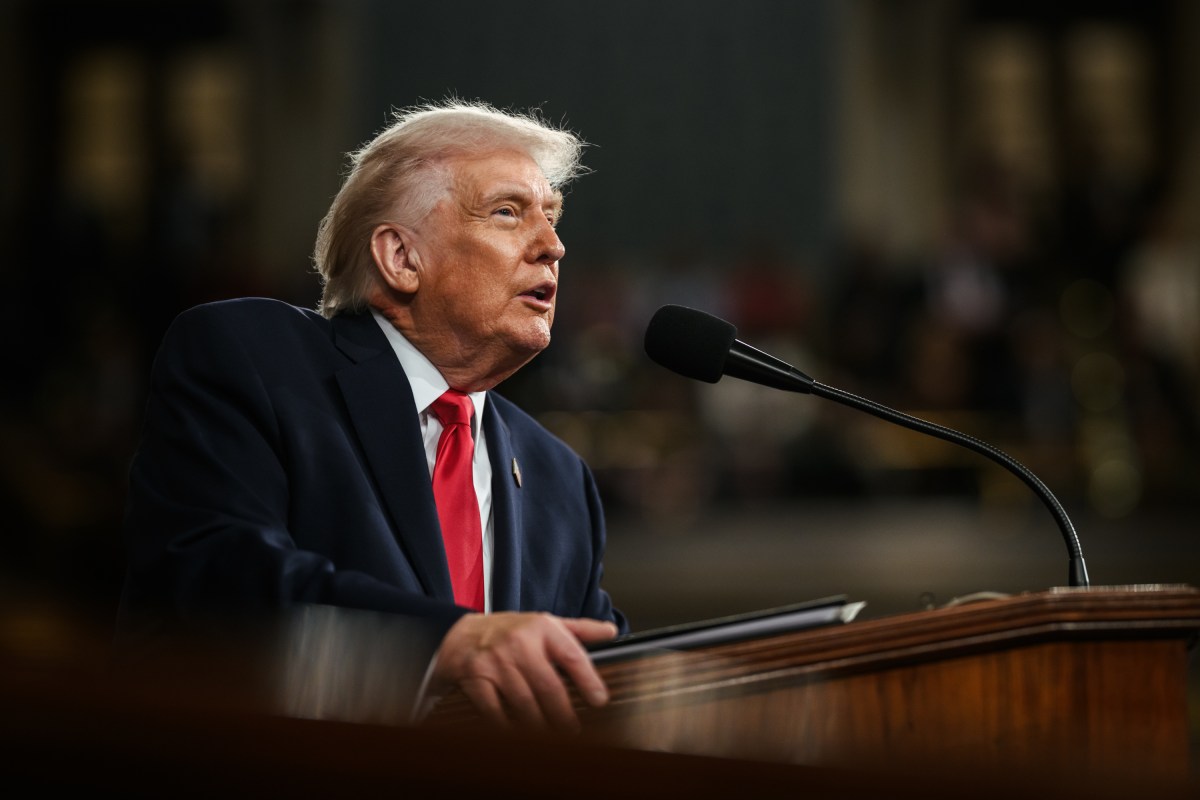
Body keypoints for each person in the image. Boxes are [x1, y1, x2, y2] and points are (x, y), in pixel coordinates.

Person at [117, 101, 627, 732]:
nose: (553, 246)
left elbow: (598, 684)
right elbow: (214, 587)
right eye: (507, 212)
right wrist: (443, 643)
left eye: (551, 218)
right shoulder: (254, 359)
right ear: (401, 258)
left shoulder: (559, 479)